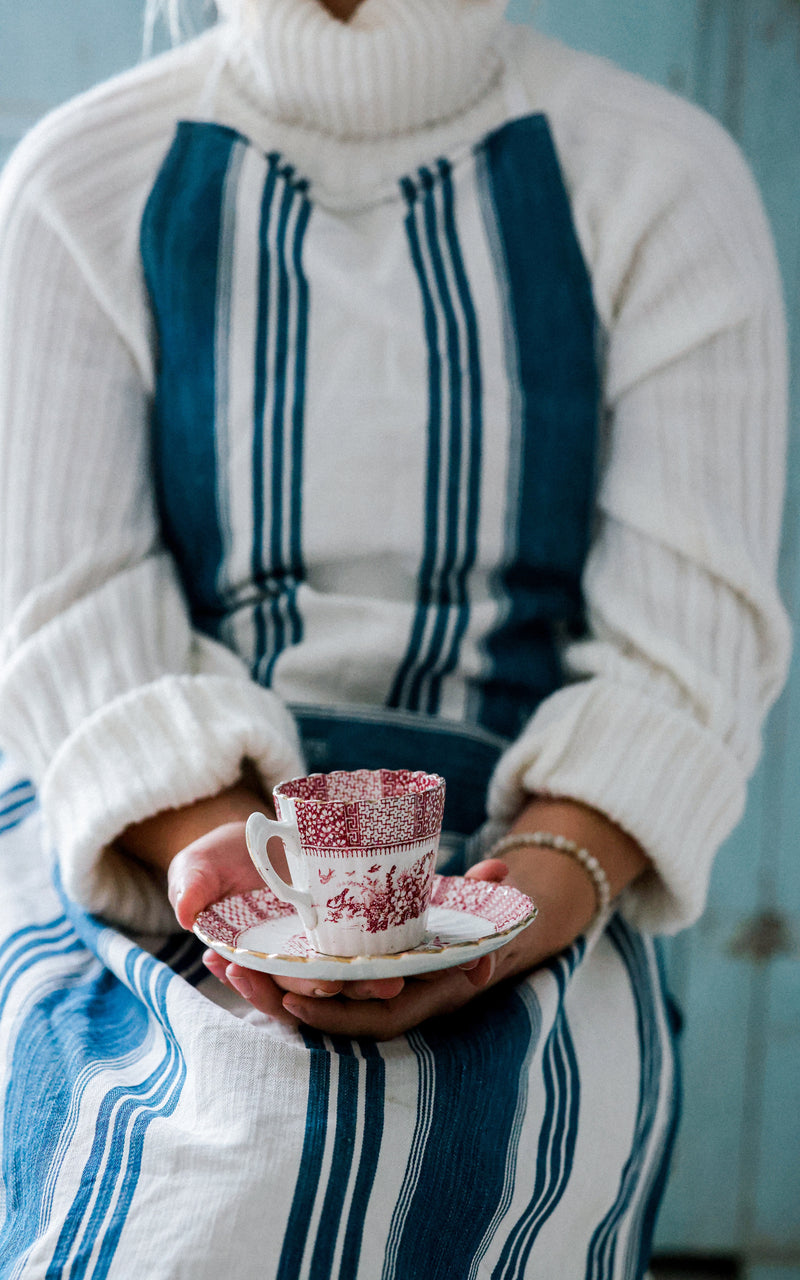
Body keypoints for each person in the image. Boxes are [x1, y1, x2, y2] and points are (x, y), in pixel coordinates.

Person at [0, 0, 789, 1275]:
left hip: (536, 862)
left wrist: (501, 915)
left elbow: (684, 656)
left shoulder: (662, 178)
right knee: (215, 1157)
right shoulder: (80, 180)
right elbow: (73, 615)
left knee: (484, 1144)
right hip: (158, 842)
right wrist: (254, 888)